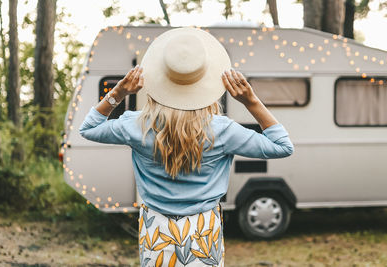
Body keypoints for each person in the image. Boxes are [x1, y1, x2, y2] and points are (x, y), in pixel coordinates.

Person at [79, 27, 294, 267]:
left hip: (156, 230)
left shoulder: (137, 125)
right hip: (204, 230)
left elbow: (88, 128)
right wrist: (251, 101)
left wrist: (118, 91)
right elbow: (282, 145)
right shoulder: (222, 131)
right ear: (207, 84)